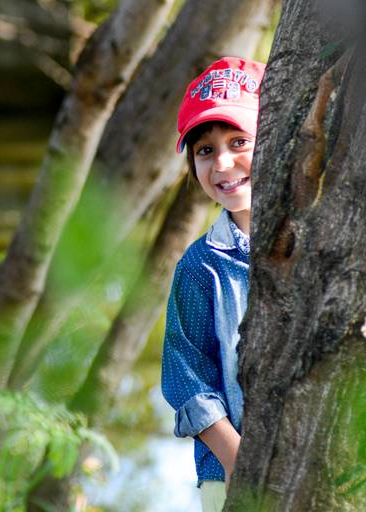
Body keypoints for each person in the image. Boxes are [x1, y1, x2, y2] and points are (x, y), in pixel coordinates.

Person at [160, 56, 265, 512]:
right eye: (205, 150)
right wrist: (238, 460)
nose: (223, 163)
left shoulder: (332, 243)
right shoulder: (201, 267)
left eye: (239, 141)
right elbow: (187, 378)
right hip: (229, 476)